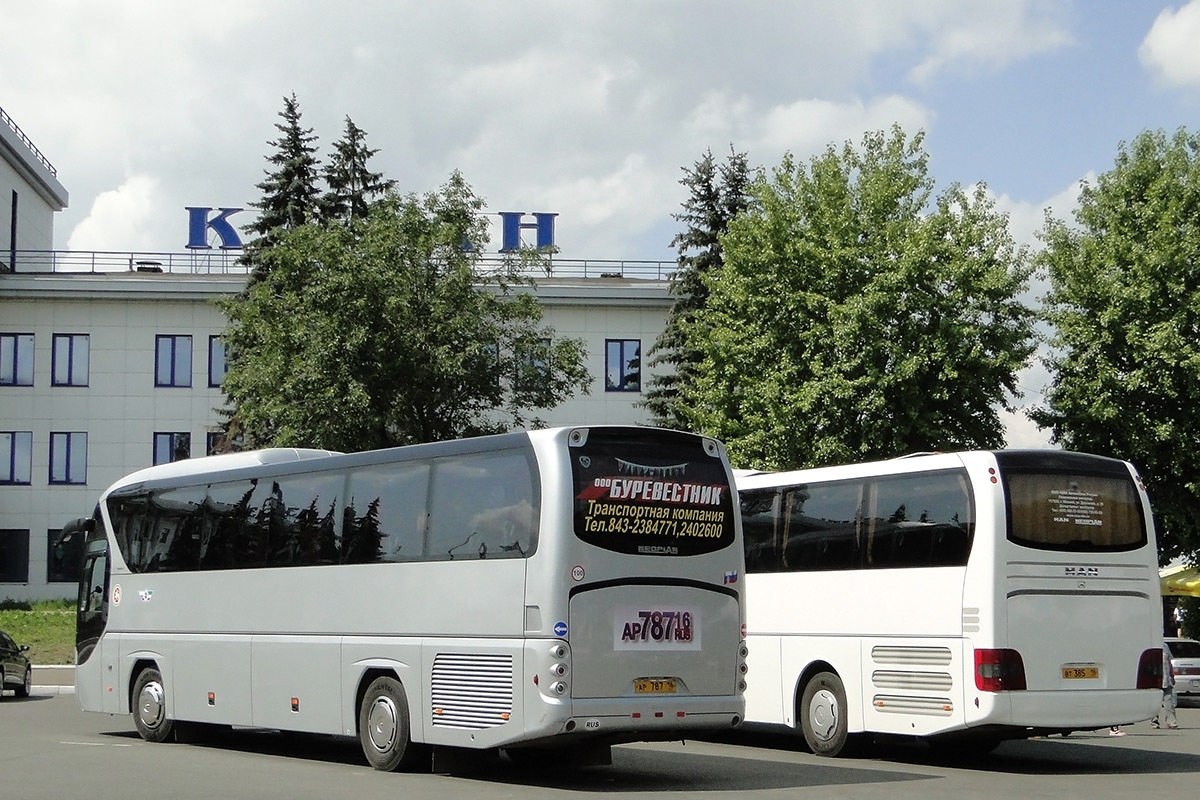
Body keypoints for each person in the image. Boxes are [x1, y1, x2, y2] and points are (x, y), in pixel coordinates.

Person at [1152, 640, 1178, 729]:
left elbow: (1169, 662)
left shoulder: (1165, 646)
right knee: (1154, 702)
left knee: (1169, 701)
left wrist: (1172, 675)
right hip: (1154, 679)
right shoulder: (1150, 646)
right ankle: (1154, 722)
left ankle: (1171, 722)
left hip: (1166, 679)